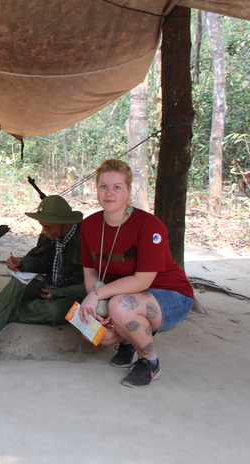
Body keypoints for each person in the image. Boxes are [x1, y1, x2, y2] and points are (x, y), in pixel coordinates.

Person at [79, 158, 194, 388]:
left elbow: (143, 280)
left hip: (171, 296)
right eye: (103, 186)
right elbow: (90, 271)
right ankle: (130, 340)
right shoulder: (89, 225)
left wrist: (98, 295)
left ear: (128, 190)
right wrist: (95, 302)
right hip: (124, 295)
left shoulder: (149, 226)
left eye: (117, 187)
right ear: (97, 189)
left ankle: (149, 361)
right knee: (90, 331)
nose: (109, 193)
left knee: (120, 306)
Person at [0, 195, 86, 344]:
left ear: (63, 224)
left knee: (54, 312)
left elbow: (91, 286)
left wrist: (59, 293)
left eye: (48, 227)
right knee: (19, 282)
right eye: (42, 226)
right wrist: (22, 262)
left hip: (73, 296)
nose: (44, 231)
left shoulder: (84, 241)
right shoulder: (54, 236)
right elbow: (45, 261)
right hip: (51, 285)